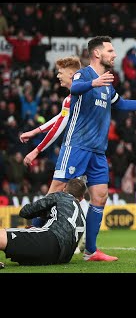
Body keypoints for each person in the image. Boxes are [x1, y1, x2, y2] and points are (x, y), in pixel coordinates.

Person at [52, 36, 136, 262]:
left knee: (100, 196)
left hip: (98, 151)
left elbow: (121, 103)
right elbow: (76, 88)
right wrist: (93, 83)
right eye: (110, 50)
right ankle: (32, 232)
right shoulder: (85, 74)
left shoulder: (108, 83)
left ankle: (90, 251)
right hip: (77, 145)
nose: (114, 54)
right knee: (56, 191)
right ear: (97, 53)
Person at [19, 56, 90, 253]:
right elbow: (60, 117)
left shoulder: (74, 96)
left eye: (60, 72)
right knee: (81, 194)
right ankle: (82, 242)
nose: (57, 76)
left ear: (71, 73)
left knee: (55, 192)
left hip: (75, 148)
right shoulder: (81, 94)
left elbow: (60, 126)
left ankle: (35, 230)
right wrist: (35, 131)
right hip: (91, 149)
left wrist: (36, 149)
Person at [0, 178, 87, 266]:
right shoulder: (82, 217)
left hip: (48, 240)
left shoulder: (60, 196)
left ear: (64, 189)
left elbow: (25, 211)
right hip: (62, 258)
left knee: (2, 235)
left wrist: (43, 213)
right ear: (82, 198)